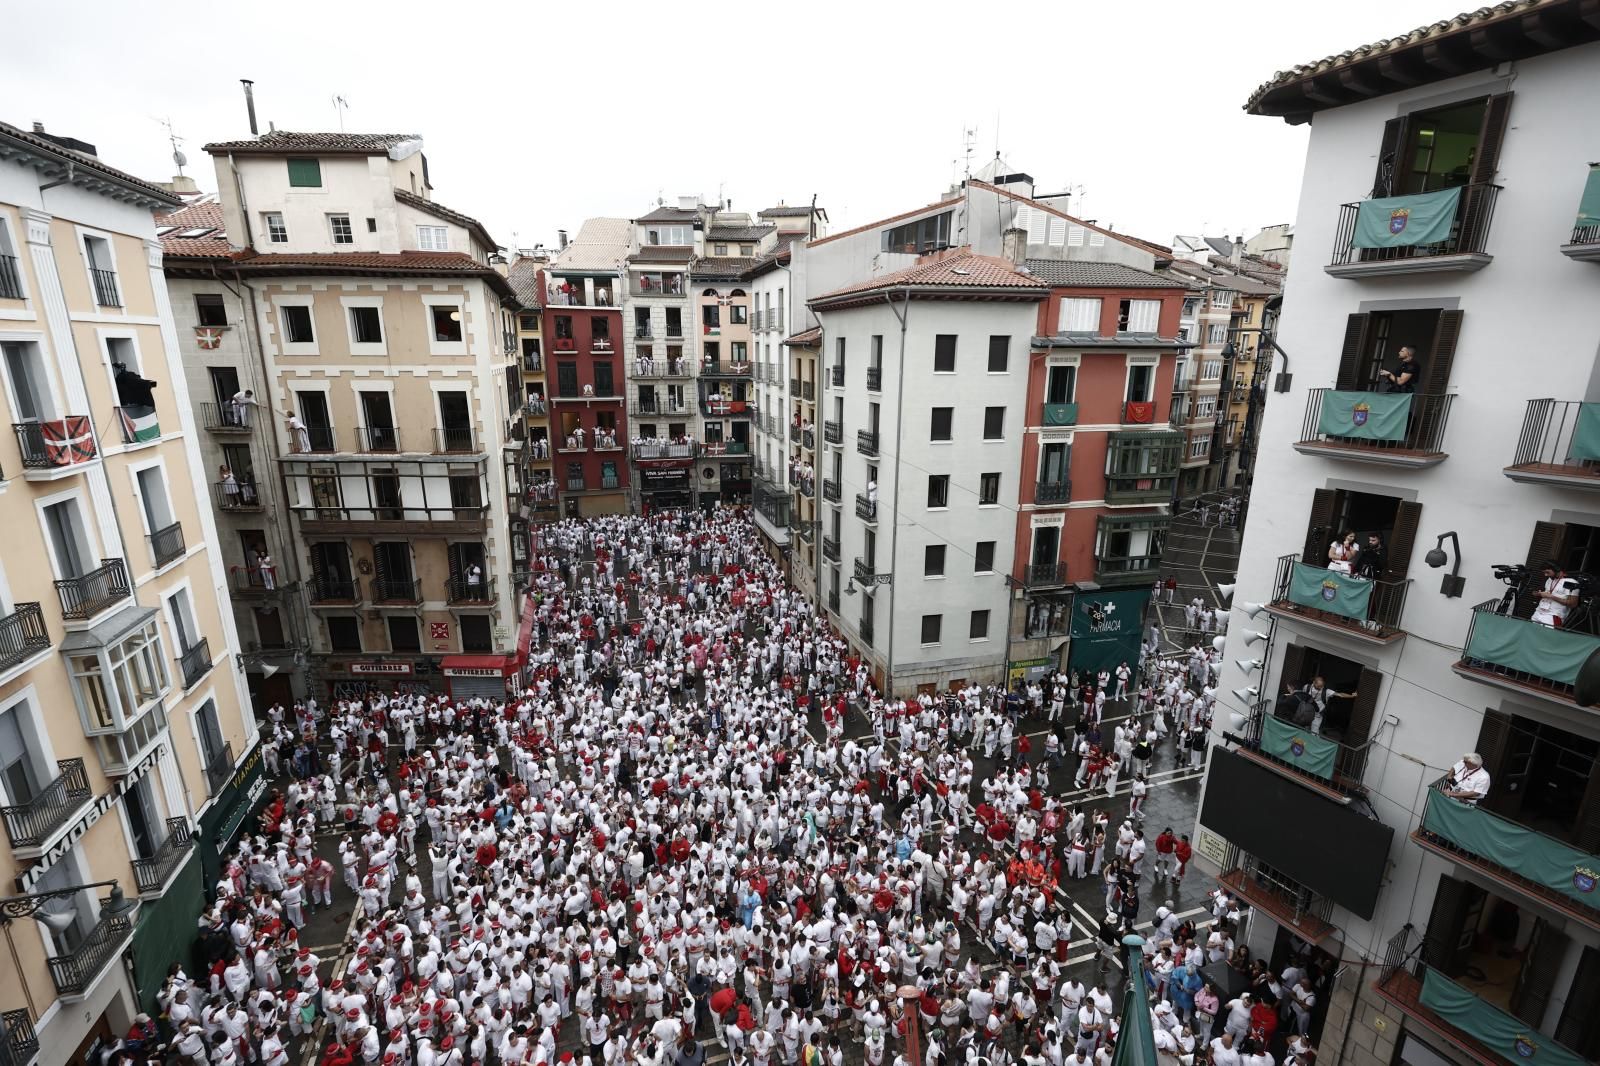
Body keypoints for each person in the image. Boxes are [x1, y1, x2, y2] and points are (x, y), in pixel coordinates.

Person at [1532, 560, 1580, 627]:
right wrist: (1538, 594)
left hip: (1553, 616)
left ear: (1556, 569)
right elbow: (1547, 592)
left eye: (1547, 572)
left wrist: (1551, 597)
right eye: (1544, 572)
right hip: (1538, 612)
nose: (1545, 575)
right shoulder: (1549, 579)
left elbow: (1573, 604)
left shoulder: (1571, 582)